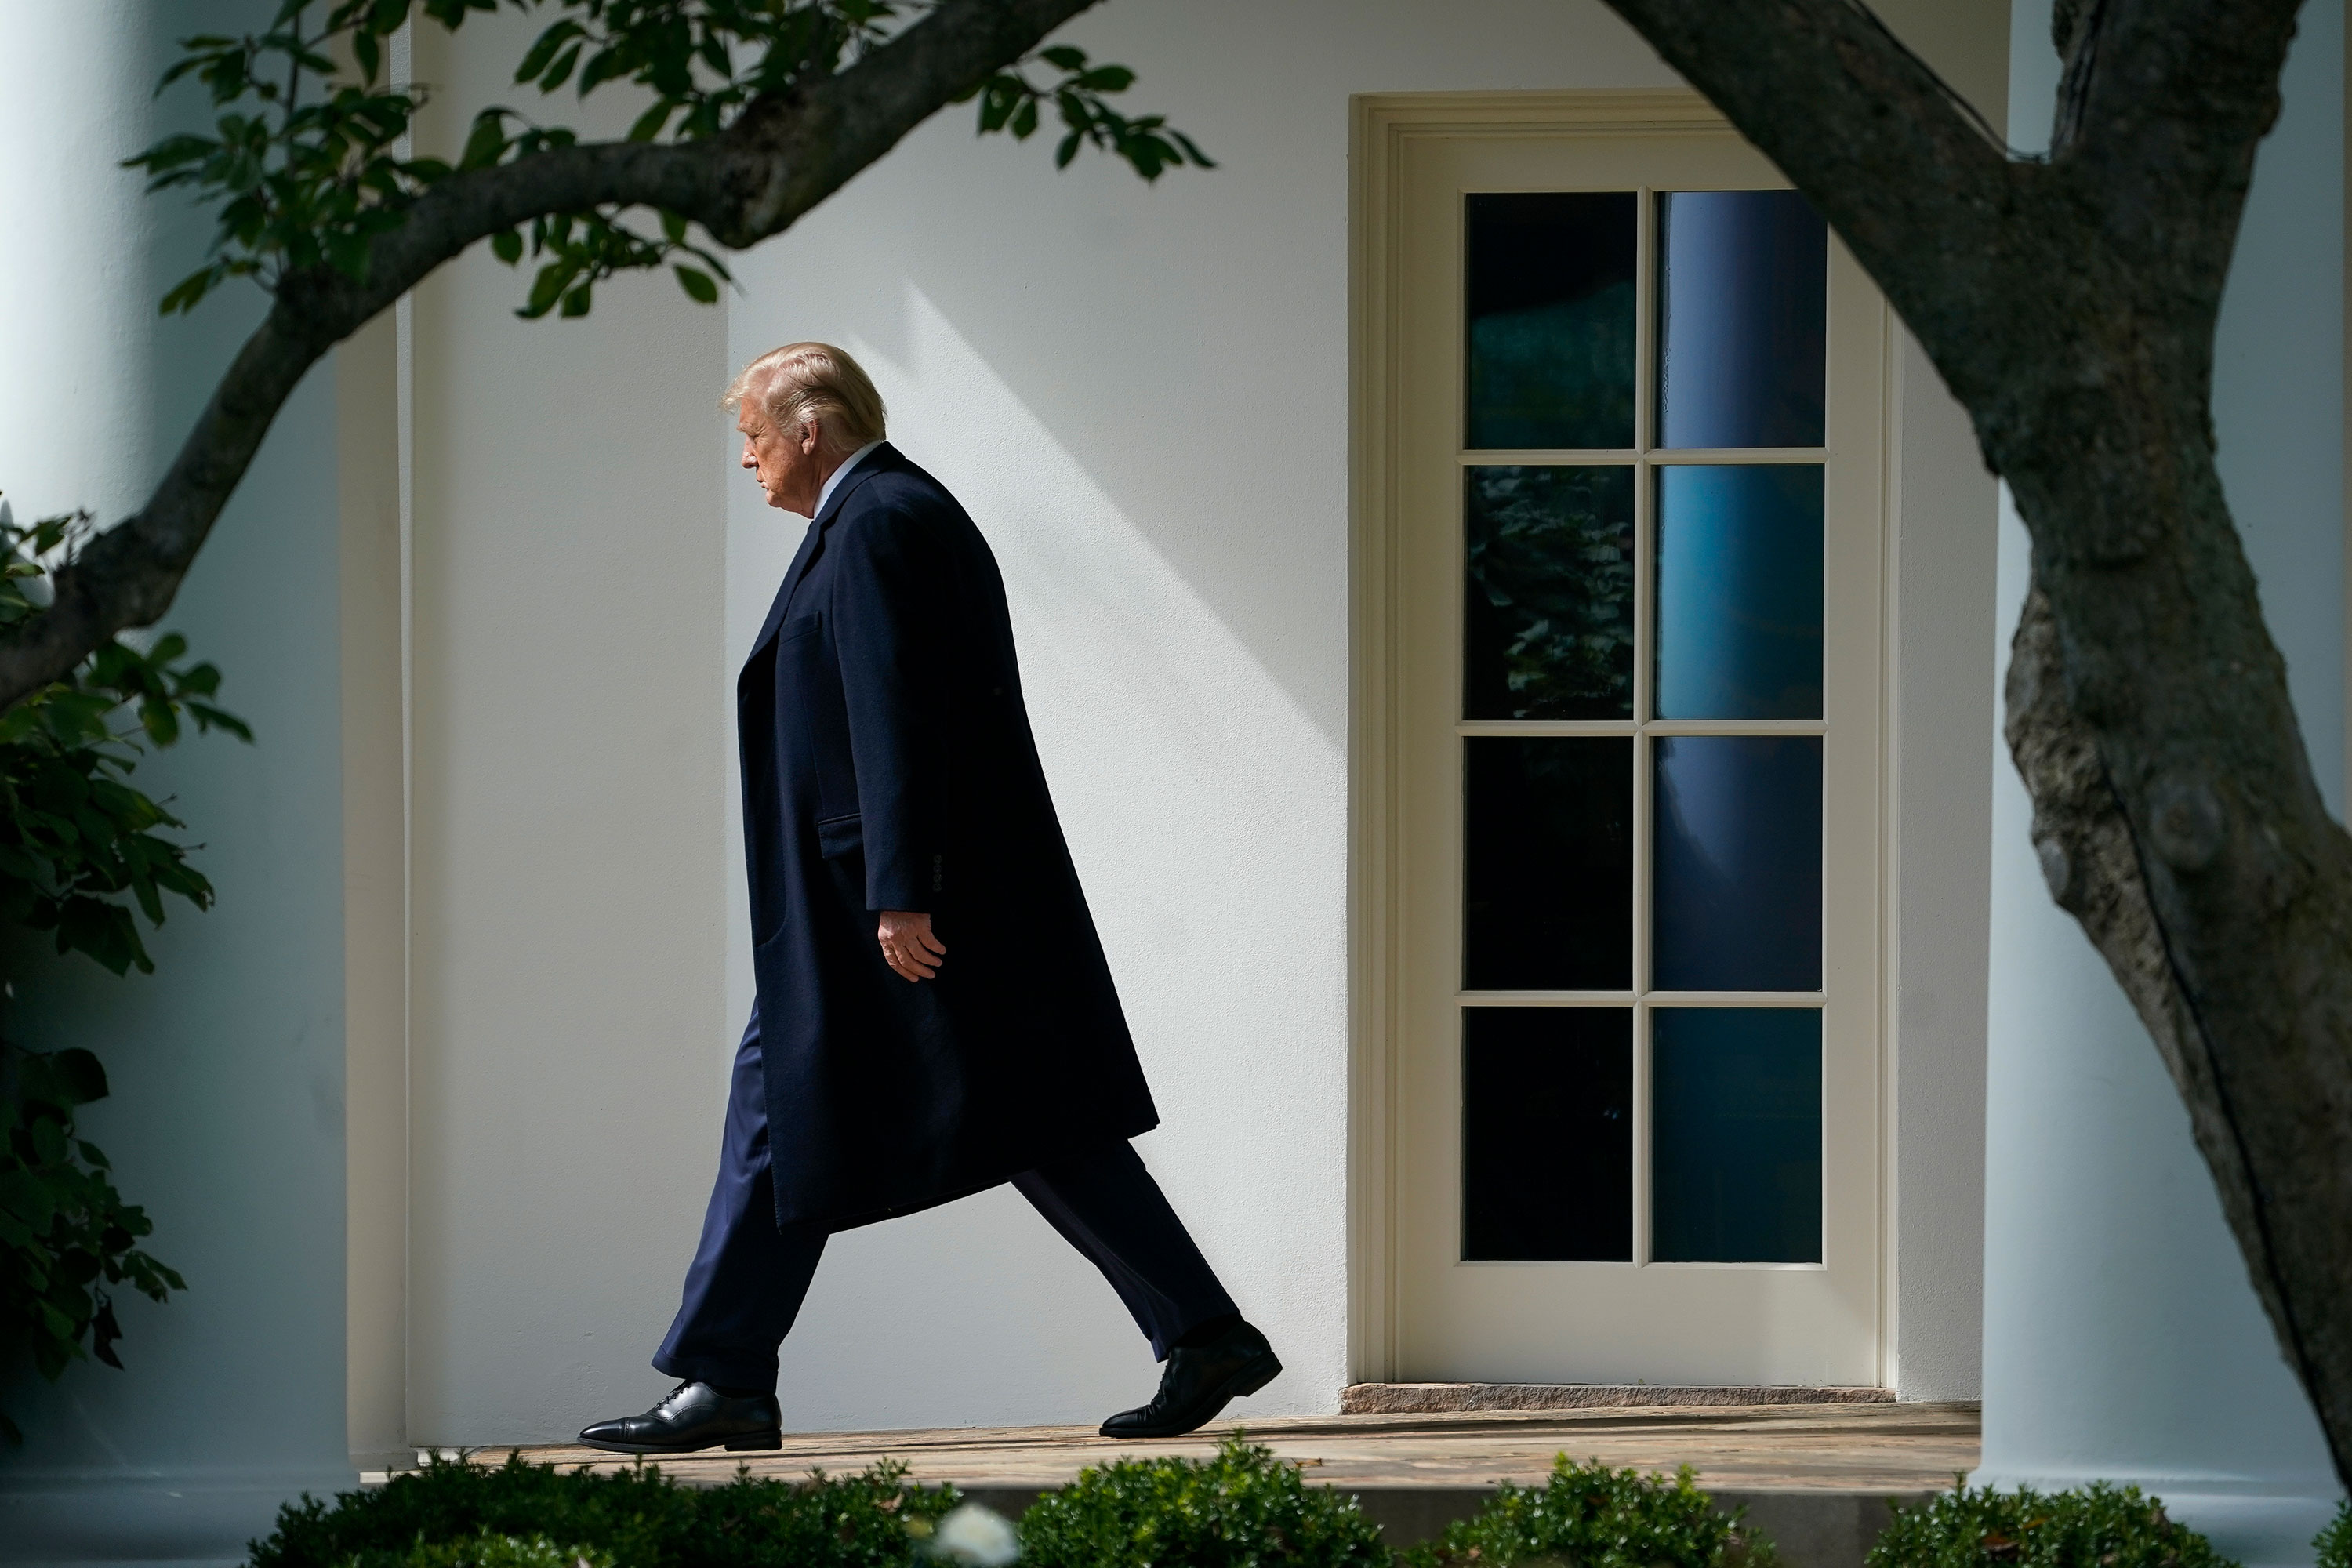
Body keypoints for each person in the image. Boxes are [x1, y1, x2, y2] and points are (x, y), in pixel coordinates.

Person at [579, 343, 1278, 1455]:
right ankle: (1203, 1331)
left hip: (889, 906)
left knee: (808, 1108)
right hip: (896, 897)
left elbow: (894, 712)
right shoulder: (876, 519)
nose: (748, 461)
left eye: (753, 437)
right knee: (1021, 1115)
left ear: (810, 428)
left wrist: (900, 893)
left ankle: (725, 1376)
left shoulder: (878, 523)